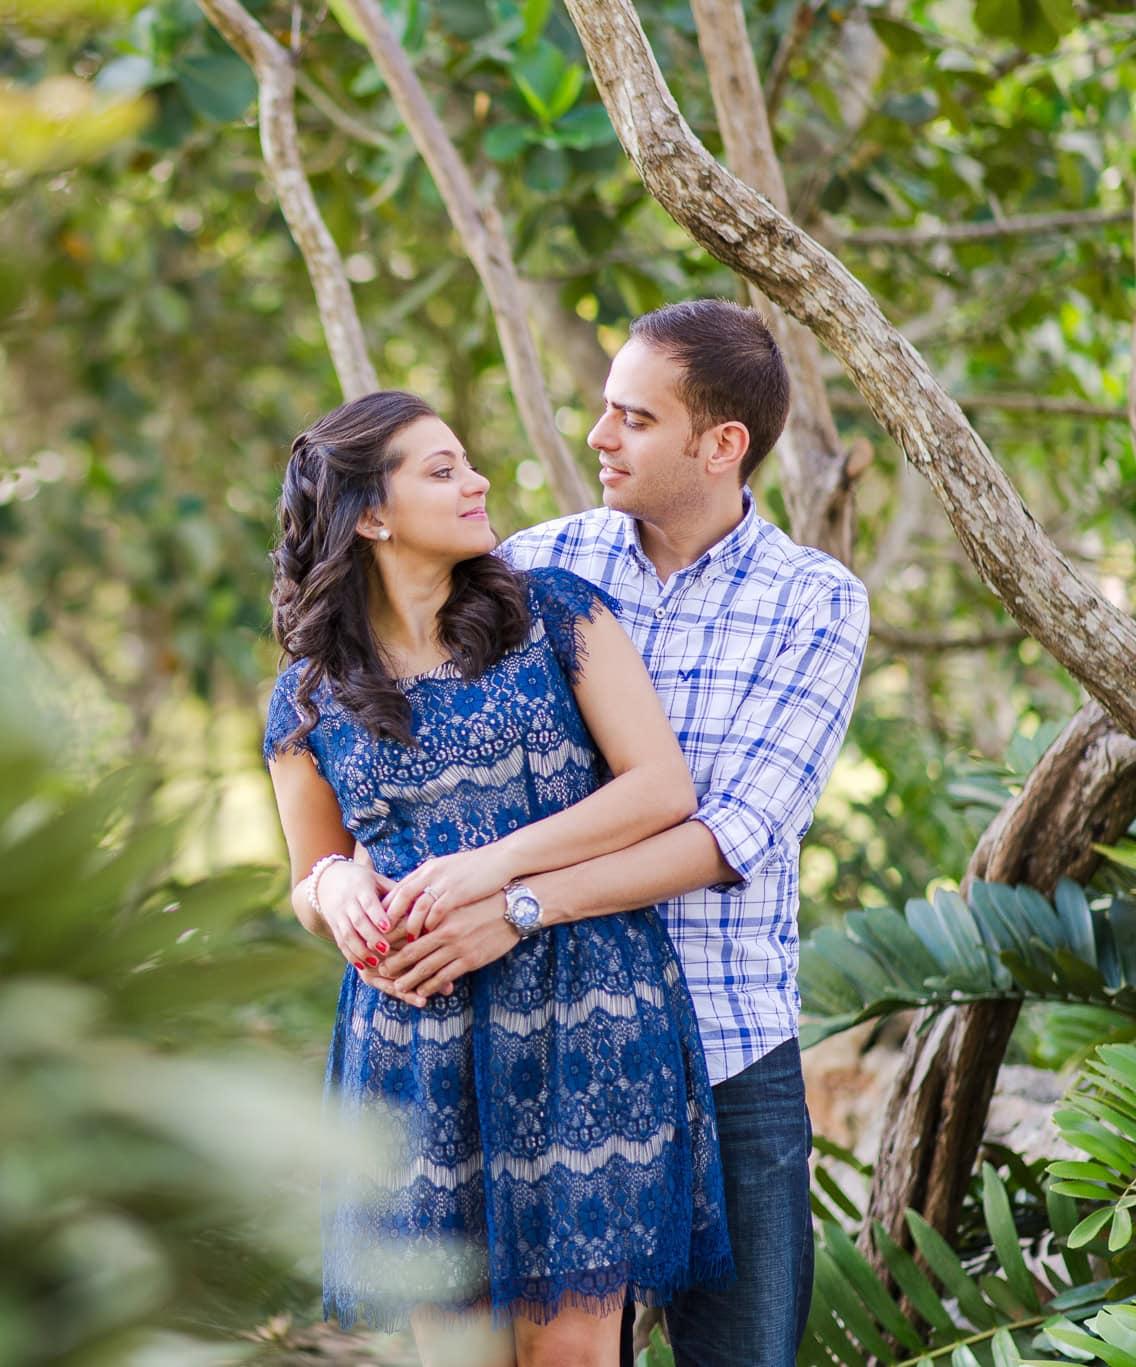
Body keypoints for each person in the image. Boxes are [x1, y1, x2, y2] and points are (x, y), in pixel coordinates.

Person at [365, 300, 869, 1367]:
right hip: (549, 1037)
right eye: (603, 409)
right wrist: (344, 877)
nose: (597, 434)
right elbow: (429, 737)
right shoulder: (537, 568)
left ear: (719, 443)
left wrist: (514, 903)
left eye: (631, 417)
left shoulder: (813, 602)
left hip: (727, 1041)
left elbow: (734, 835)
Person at [263, 388, 734, 1367]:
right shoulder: (307, 691)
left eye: (464, 460)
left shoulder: (554, 612)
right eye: (441, 470)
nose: (477, 480)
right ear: (370, 514)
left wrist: (491, 863)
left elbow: (659, 788)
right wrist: (336, 894)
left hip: (582, 1013)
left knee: (567, 1350)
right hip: (413, 1043)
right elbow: (308, 870)